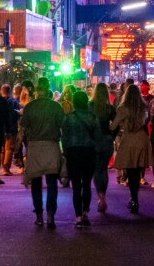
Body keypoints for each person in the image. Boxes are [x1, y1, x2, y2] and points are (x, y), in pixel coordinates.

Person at [20, 77, 65, 227]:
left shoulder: (30, 107)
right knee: (52, 182)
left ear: (38, 90)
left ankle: (39, 215)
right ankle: (51, 214)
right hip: (51, 146)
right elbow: (62, 127)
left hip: (35, 146)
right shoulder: (56, 107)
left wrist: (17, 150)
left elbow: (23, 128)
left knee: (36, 182)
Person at [62, 91, 99, 228]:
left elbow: (64, 136)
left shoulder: (68, 118)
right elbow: (97, 135)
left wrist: (65, 152)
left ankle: (77, 217)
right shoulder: (92, 118)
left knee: (76, 186)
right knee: (87, 184)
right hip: (88, 151)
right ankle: (85, 212)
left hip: (73, 151)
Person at [111, 82, 150, 213]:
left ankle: (133, 199)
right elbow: (145, 121)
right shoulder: (143, 107)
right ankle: (134, 198)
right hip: (141, 138)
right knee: (138, 170)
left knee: (130, 170)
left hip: (128, 138)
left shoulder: (123, 108)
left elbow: (113, 125)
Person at [90, 82, 116, 213]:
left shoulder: (90, 106)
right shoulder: (109, 108)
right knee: (104, 169)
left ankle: (100, 196)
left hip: (94, 140)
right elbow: (116, 124)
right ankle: (103, 195)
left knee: (96, 169)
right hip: (106, 139)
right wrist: (112, 134)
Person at [1, 83, 20, 175]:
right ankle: (6, 168)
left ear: (2, 91)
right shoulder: (13, 102)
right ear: (10, 91)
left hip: (0, 128)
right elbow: (19, 112)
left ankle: (0, 167)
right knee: (9, 148)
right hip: (11, 128)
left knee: (2, 149)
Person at [12, 83, 31, 172]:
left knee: (21, 144)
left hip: (24, 126)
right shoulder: (20, 103)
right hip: (24, 126)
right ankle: (24, 164)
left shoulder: (23, 103)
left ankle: (23, 165)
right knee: (24, 145)